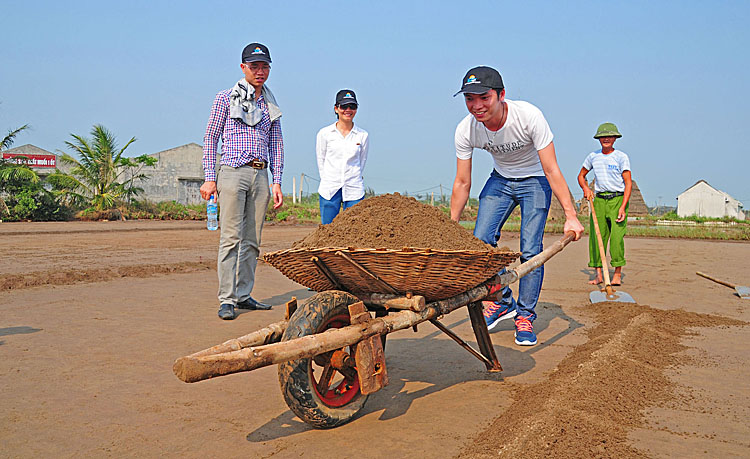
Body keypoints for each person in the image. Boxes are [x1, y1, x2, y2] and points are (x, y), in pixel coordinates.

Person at [450, 66, 584, 346]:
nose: (476, 106)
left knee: (531, 249)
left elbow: (551, 169)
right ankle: (502, 301)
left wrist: (571, 216)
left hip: (535, 180)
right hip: (501, 180)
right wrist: (450, 226)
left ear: (501, 95)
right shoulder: (466, 130)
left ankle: (525, 315)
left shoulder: (528, 117)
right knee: (480, 242)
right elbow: (463, 182)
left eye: (483, 97)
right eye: (469, 99)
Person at [200, 42, 284, 320]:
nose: (259, 72)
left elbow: (276, 143)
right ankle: (226, 299)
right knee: (230, 238)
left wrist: (277, 181)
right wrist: (209, 179)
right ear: (243, 68)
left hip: (261, 175)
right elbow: (211, 138)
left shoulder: (270, 104)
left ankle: (243, 294)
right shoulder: (225, 98)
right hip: (233, 172)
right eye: (254, 66)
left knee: (253, 240)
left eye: (264, 67)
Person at [577, 122, 631, 286]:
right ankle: (598, 274)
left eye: (609, 136)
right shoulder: (593, 156)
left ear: (615, 138)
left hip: (617, 200)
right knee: (596, 238)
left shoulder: (621, 157)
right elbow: (581, 176)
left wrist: (622, 206)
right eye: (602, 137)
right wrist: (586, 188)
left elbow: (627, 183)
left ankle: (617, 274)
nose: (606, 139)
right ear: (598, 139)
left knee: (616, 239)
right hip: (599, 200)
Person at [315, 90, 369, 224]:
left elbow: (362, 161)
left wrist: (353, 176)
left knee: (354, 229)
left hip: (353, 188)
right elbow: (320, 160)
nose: (348, 110)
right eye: (344, 106)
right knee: (327, 230)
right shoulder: (325, 134)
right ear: (336, 108)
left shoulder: (362, 135)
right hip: (330, 188)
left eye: (352, 106)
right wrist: (328, 179)